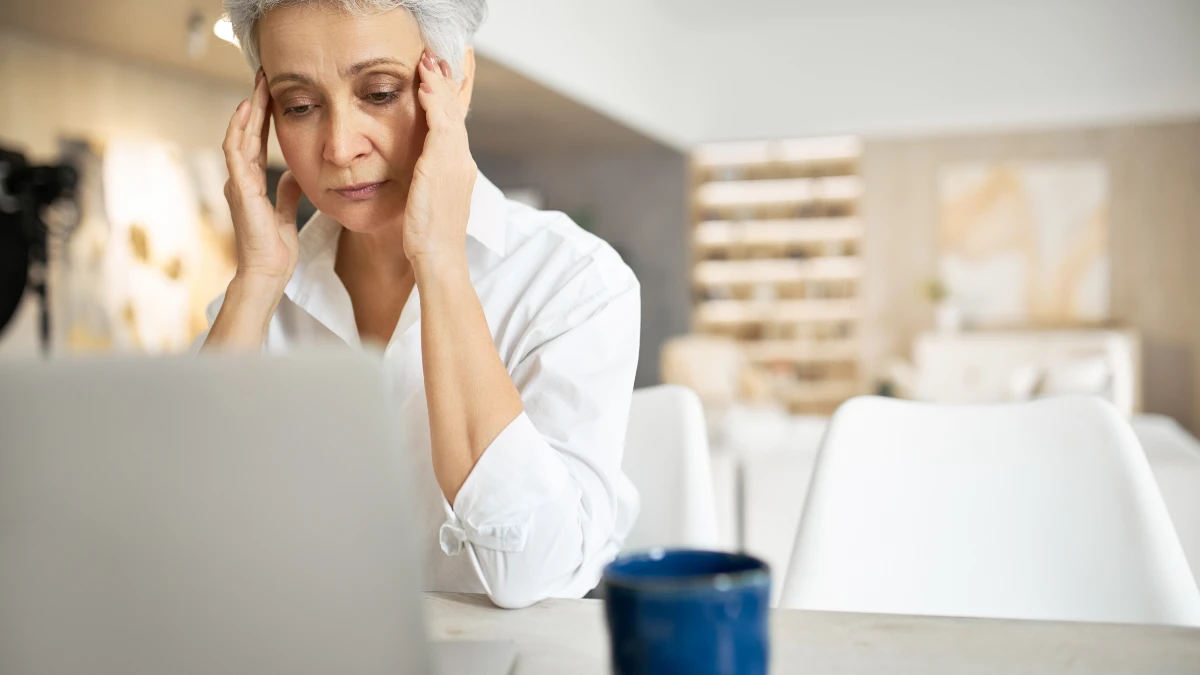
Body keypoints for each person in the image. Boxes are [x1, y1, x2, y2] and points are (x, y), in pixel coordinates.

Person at [201, 0, 641, 609]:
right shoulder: (259, 302)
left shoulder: (573, 283)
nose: (340, 147)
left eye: (380, 93)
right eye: (299, 106)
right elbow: (175, 547)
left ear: (456, 84)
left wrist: (441, 263)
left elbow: (532, 571)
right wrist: (255, 282)